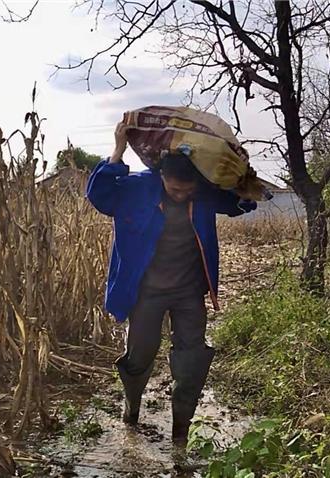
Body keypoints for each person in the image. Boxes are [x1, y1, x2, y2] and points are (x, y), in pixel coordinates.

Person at [85, 122, 257, 445]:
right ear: (161, 176)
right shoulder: (137, 187)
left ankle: (181, 432)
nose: (180, 195)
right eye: (175, 190)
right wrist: (118, 150)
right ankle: (132, 409)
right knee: (139, 355)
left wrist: (242, 175)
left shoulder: (204, 193)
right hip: (145, 290)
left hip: (188, 291)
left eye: (186, 191)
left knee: (192, 359)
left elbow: (241, 204)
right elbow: (99, 194)